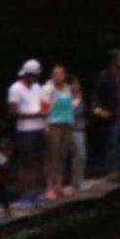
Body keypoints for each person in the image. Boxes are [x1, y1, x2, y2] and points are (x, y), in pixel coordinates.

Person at [7, 59, 47, 205]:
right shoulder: (15, 88)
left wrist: (45, 112)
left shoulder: (37, 87)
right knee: (26, 163)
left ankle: (34, 191)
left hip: (39, 128)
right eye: (34, 76)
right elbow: (13, 112)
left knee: (37, 161)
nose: (36, 79)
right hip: (25, 130)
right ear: (27, 74)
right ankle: (24, 193)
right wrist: (34, 115)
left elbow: (44, 104)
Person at [94, 48, 120, 177]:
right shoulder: (105, 75)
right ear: (114, 61)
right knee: (113, 143)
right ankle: (111, 170)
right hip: (113, 114)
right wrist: (98, 108)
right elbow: (96, 93)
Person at [42, 65, 76, 199]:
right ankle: (49, 187)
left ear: (65, 75)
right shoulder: (47, 89)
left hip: (66, 124)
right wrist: (46, 127)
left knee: (62, 156)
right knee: (53, 157)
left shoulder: (68, 88)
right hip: (53, 125)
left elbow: (70, 108)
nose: (58, 76)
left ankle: (59, 184)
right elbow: (44, 109)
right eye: (55, 74)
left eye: (61, 73)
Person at [69, 76, 89, 191]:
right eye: (73, 84)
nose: (76, 86)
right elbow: (70, 112)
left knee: (81, 155)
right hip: (71, 129)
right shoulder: (67, 97)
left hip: (81, 128)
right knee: (77, 155)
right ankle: (76, 181)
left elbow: (83, 112)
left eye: (77, 84)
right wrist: (76, 101)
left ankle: (78, 180)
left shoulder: (81, 97)